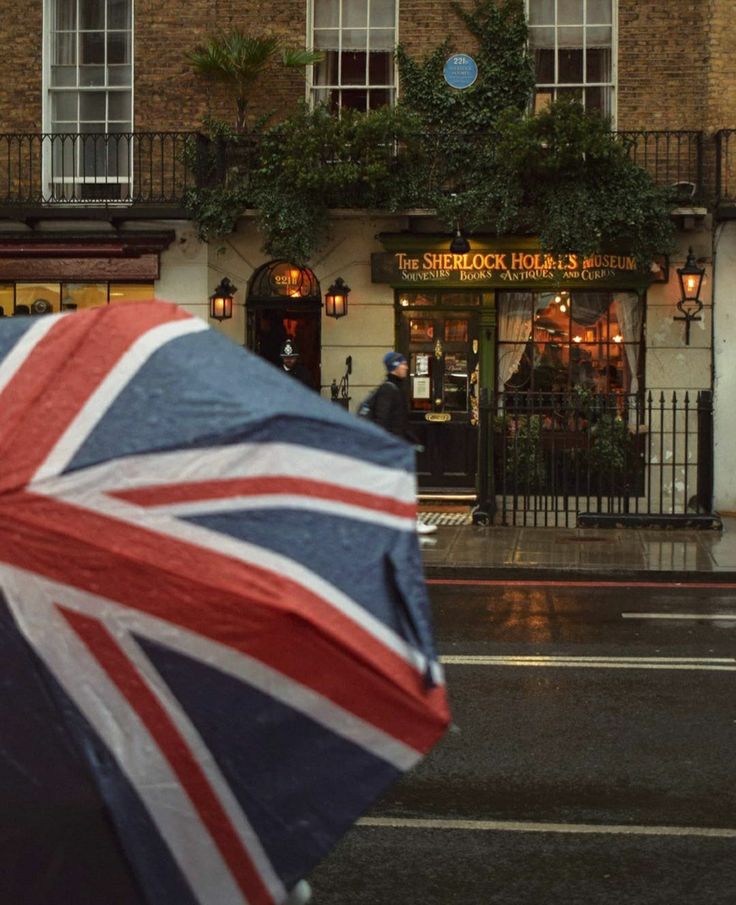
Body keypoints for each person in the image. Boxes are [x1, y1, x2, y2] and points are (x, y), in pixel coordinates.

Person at [373, 351, 437, 536]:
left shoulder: (396, 388)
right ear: (394, 367)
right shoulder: (388, 390)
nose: (406, 367)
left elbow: (399, 421)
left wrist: (413, 440)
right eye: (402, 364)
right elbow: (383, 421)